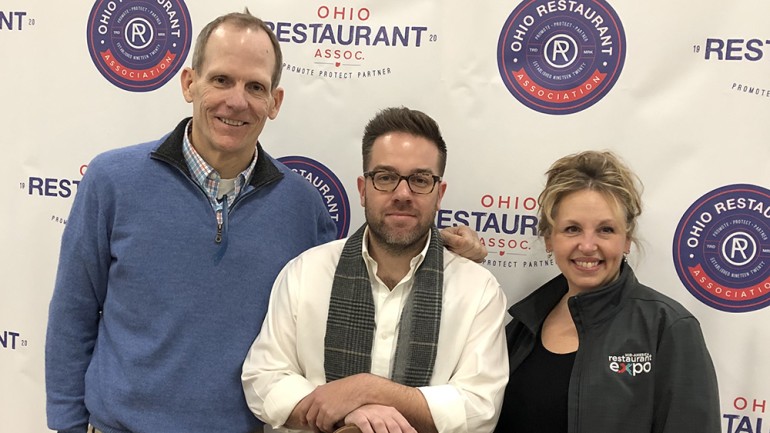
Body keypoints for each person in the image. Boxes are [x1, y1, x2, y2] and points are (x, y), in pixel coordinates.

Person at [45, 11, 485, 433]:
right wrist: (67, 425)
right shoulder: (112, 181)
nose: (236, 101)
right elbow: (73, 313)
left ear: (274, 102)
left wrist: (445, 256)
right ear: (188, 83)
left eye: (255, 87)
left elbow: (355, 274)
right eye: (221, 79)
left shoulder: (303, 205)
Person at [241, 107, 509, 433]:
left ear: (439, 195)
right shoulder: (306, 272)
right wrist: (347, 411)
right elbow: (264, 379)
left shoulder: (478, 290)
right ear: (362, 188)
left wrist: (368, 390)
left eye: (420, 180)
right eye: (385, 177)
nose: (402, 194)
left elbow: (479, 408)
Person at [493, 150, 721, 433]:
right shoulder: (522, 327)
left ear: (626, 239)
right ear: (550, 239)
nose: (588, 246)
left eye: (605, 230)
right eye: (572, 229)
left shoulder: (667, 327)